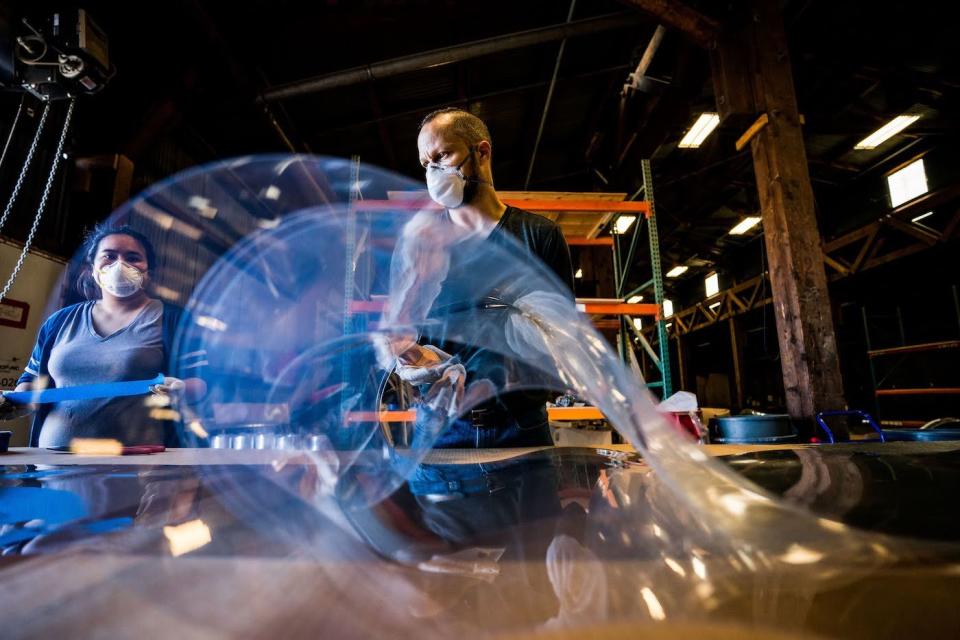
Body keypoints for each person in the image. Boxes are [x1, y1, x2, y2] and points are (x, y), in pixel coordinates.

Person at [383, 107, 574, 448]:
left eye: (442, 155)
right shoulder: (418, 247)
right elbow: (398, 338)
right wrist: (413, 358)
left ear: (481, 152)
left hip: (520, 427)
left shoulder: (538, 236)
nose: (434, 172)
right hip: (441, 428)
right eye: (426, 165)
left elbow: (560, 339)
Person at [0, 225, 205, 447]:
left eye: (133, 257)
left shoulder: (175, 321)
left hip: (137, 469)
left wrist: (182, 389)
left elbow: (204, 383)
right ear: (92, 269)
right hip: (53, 461)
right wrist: (13, 401)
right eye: (109, 256)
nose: (120, 264)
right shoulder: (59, 322)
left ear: (149, 272)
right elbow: (31, 381)